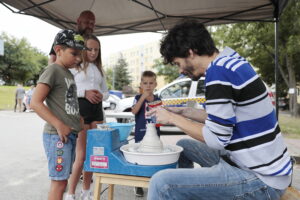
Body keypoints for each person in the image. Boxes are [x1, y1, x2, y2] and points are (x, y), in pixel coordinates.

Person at [147, 20, 293, 200]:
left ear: (190, 53)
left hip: (261, 180)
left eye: (178, 63)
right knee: (183, 146)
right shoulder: (230, 61)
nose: (181, 71)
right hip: (263, 166)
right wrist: (186, 112)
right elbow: (227, 118)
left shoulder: (218, 73)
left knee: (162, 183)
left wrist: (171, 118)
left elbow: (217, 139)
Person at [30, 29, 86, 200]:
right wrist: (59, 124)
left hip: (69, 136)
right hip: (57, 137)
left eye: (80, 54)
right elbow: (35, 102)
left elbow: (65, 102)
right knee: (59, 182)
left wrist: (78, 118)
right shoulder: (53, 70)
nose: (78, 58)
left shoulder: (67, 73)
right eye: (74, 53)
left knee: (63, 181)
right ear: (58, 50)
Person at [66, 34, 109, 200]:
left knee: (93, 153)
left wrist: (100, 95)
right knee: (81, 154)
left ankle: (86, 191)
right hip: (81, 110)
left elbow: (106, 92)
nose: (93, 52)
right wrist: (85, 93)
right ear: (83, 49)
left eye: (96, 50)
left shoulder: (99, 70)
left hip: (97, 111)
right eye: (89, 49)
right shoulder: (74, 67)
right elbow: (68, 91)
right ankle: (71, 193)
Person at [131, 70, 161, 197]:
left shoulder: (158, 98)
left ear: (155, 84)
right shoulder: (138, 98)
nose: (148, 86)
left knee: (153, 158)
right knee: (140, 158)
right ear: (141, 85)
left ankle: (151, 181)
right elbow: (134, 111)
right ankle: (138, 184)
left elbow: (160, 116)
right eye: (145, 83)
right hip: (140, 133)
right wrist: (143, 97)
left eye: (151, 83)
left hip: (154, 133)